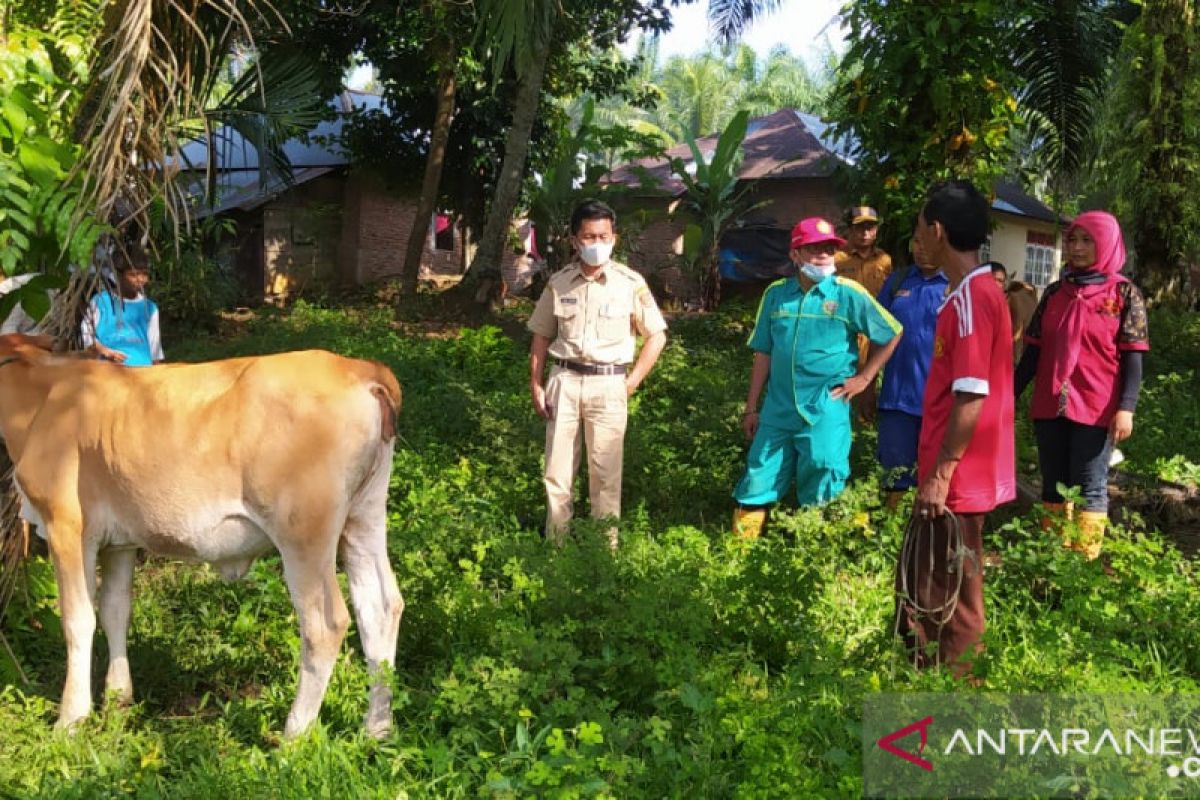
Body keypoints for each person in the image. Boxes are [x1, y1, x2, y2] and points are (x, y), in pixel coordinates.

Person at [896, 180, 1015, 676]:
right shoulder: (971, 294)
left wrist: (941, 474)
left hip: (957, 481)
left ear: (938, 230)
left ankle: (948, 695)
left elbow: (970, 395)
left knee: (944, 592)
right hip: (961, 475)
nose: (917, 237)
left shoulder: (971, 300)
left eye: (922, 226)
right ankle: (937, 681)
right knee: (942, 583)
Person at [731, 217, 902, 538]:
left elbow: (891, 333)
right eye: (814, 249)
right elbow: (763, 352)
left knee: (824, 478)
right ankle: (740, 556)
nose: (824, 255)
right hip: (778, 410)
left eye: (829, 249)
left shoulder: (848, 293)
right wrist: (751, 407)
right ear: (795, 254)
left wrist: (865, 378)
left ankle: (818, 553)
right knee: (758, 478)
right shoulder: (776, 295)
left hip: (826, 408)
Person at [527, 200, 668, 546]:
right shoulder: (558, 283)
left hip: (609, 385)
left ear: (614, 238)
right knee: (557, 474)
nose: (596, 243)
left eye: (603, 236)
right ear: (575, 241)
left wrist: (631, 382)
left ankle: (604, 554)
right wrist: (535, 383)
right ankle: (556, 549)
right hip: (565, 382)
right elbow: (541, 336)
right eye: (588, 236)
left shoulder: (630, 283)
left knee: (605, 475)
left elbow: (657, 336)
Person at [1014, 210, 1149, 559]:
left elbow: (1133, 358)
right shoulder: (1057, 292)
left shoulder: (1124, 294)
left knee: (1089, 485)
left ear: (1106, 243)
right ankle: (1052, 562)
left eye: (1087, 240)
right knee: (1054, 484)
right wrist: (1010, 393)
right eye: (1072, 239)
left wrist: (1127, 408)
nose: (1076, 247)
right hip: (1050, 403)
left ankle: (1081, 571)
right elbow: (1033, 353)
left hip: (1096, 406)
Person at [875, 232, 949, 510]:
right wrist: (868, 385)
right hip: (896, 399)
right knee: (895, 474)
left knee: (935, 474)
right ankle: (895, 535)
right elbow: (877, 334)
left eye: (926, 241)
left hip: (940, 402)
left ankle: (932, 537)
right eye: (916, 242)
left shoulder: (956, 285)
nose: (921, 249)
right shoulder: (897, 282)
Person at [835, 206, 894, 421]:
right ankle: (844, 423)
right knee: (844, 376)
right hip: (846, 330)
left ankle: (867, 423)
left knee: (870, 378)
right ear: (849, 230)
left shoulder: (884, 260)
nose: (865, 233)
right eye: (860, 228)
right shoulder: (837, 260)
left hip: (875, 331)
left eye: (870, 228)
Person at [81, 247, 164, 366]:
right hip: (107, 372)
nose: (140, 279)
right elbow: (86, 335)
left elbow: (155, 349)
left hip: (143, 372)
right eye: (133, 275)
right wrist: (106, 352)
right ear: (118, 275)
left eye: (144, 274)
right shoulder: (100, 302)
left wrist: (157, 374)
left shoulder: (150, 308)